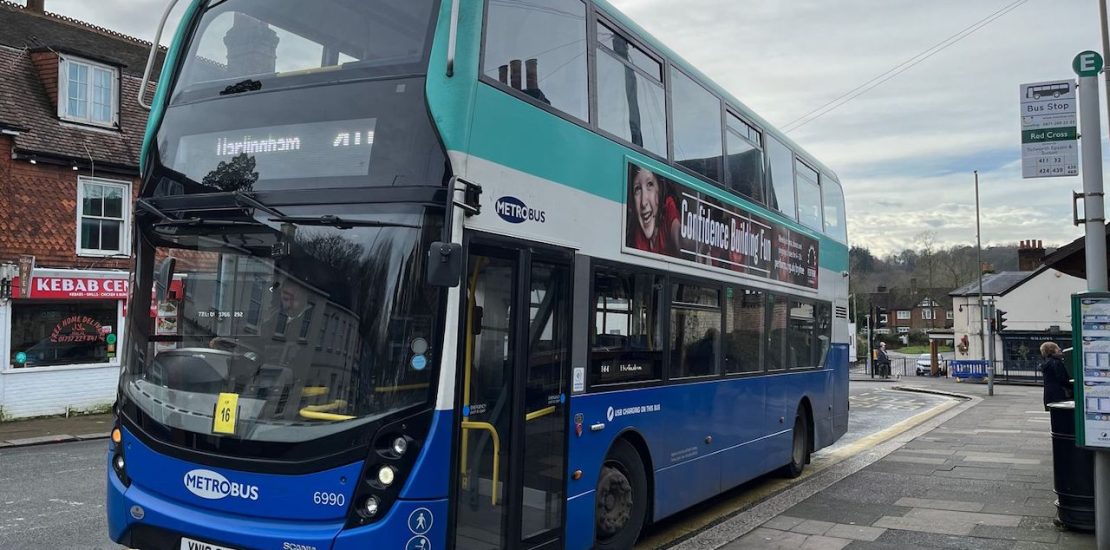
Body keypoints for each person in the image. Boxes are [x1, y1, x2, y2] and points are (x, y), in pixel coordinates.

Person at [628, 165, 680, 255]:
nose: (643, 203)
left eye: (650, 185)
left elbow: (678, 233)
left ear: (659, 189)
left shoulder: (668, 207)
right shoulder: (636, 231)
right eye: (638, 189)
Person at [1039, 341, 1071, 410]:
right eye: (1057, 348)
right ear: (1051, 351)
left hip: (1049, 396)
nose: (1059, 349)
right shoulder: (1056, 363)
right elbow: (1063, 379)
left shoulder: (1046, 363)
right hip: (1060, 394)